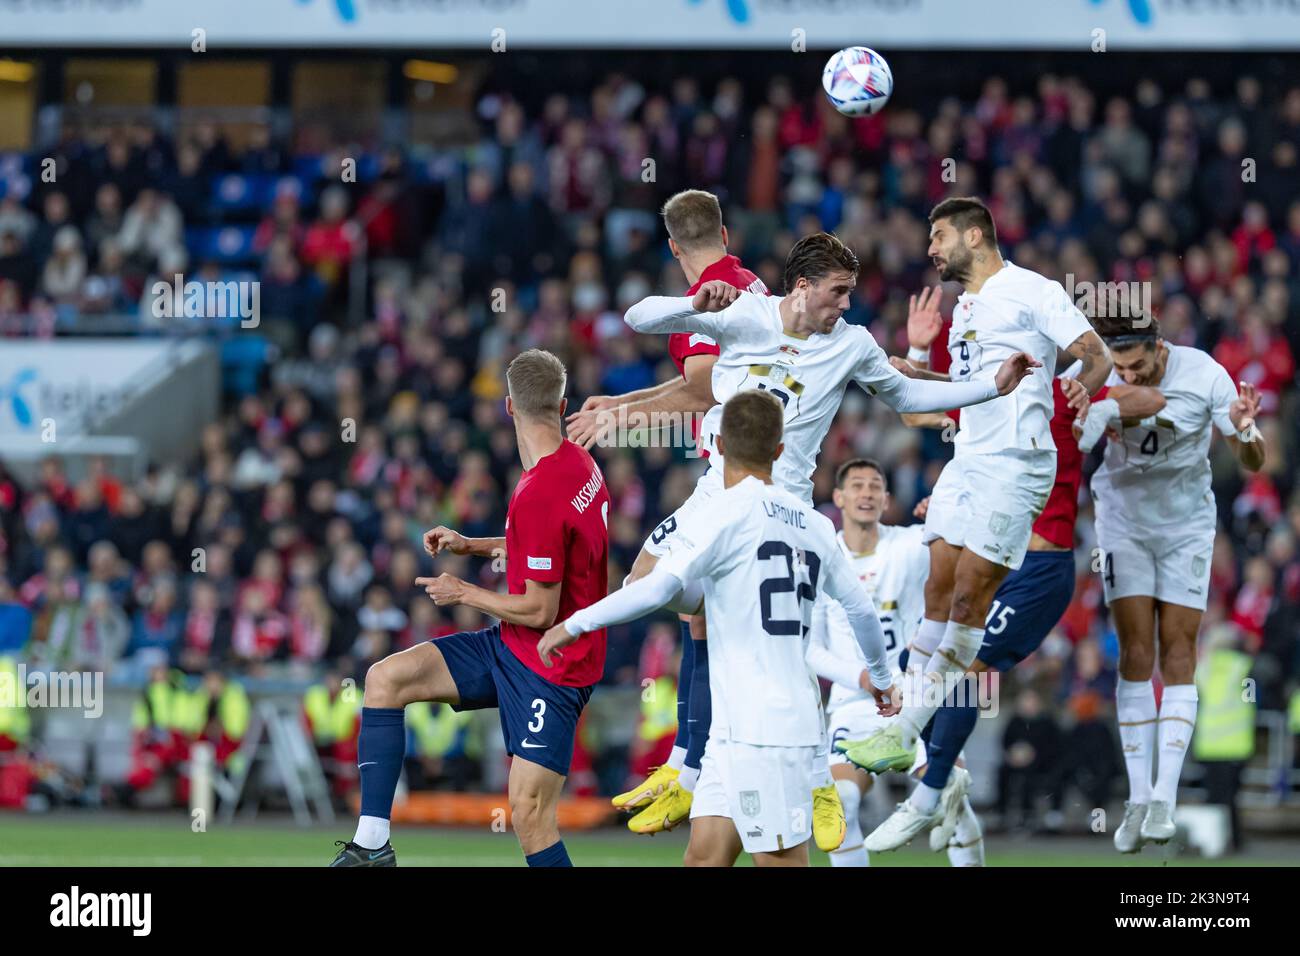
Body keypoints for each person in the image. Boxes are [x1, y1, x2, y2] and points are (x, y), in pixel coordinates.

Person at [615, 230, 1039, 842]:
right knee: (653, 589)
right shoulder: (745, 314)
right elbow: (639, 316)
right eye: (838, 293)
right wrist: (693, 307)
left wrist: (988, 387)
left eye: (851, 294)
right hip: (717, 490)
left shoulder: (853, 345)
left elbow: (908, 394)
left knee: (780, 644)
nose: (845, 305)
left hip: (781, 509)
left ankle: (805, 776)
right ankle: (687, 765)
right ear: (803, 286)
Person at [833, 196, 1113, 851]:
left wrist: (1080, 382)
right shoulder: (960, 314)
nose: (930, 250)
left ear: (974, 233)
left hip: (1017, 463)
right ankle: (925, 765)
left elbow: (1093, 354)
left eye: (937, 236)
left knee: (966, 603)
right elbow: (938, 403)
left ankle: (907, 743)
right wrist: (917, 358)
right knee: (936, 594)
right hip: (968, 459)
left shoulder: (1031, 290)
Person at [854, 282, 1163, 855]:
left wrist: (1102, 396)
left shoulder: (1064, 399)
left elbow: (1151, 402)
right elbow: (921, 412)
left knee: (966, 666)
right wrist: (918, 356)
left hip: (1041, 571)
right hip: (992, 556)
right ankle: (949, 788)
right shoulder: (997, 401)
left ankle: (929, 791)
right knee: (940, 664)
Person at [539, 391, 898, 867]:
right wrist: (882, 677)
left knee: (780, 861)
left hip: (767, 734)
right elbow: (860, 610)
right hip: (735, 730)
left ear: (719, 445)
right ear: (779, 450)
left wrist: (577, 622)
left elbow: (652, 588)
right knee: (703, 858)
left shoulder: (720, 515)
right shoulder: (814, 525)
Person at [329, 349, 610, 867]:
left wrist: (462, 593)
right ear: (562, 403)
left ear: (508, 407)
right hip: (513, 646)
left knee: (528, 815)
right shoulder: (580, 464)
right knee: (385, 680)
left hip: (553, 665)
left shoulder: (541, 490)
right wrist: (470, 544)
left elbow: (540, 609)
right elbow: (541, 546)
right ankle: (373, 845)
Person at [566, 189, 766, 831]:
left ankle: (697, 757)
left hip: (737, 478)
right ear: (725, 232)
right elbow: (700, 383)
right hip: (745, 468)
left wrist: (621, 417)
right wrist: (619, 402)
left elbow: (703, 389)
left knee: (647, 583)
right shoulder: (744, 280)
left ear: (673, 246)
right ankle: (689, 757)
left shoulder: (706, 295)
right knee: (697, 608)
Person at [1087, 314, 1265, 852]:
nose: (1129, 376)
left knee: (1179, 653)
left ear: (1159, 349)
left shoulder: (1206, 374)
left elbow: (1253, 461)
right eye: (1120, 368)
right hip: (1122, 521)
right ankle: (1138, 798)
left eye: (1138, 365)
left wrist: (1247, 427)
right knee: (1135, 654)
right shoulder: (1095, 370)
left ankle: (1165, 796)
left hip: (1186, 526)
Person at [804, 458, 983, 867]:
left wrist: (946, 514)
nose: (866, 493)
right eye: (857, 486)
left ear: (886, 499)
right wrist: (862, 677)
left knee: (954, 804)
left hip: (914, 703)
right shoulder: (819, 558)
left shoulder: (910, 545)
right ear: (838, 498)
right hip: (853, 704)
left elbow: (971, 540)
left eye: (875, 486)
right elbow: (809, 648)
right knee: (841, 803)